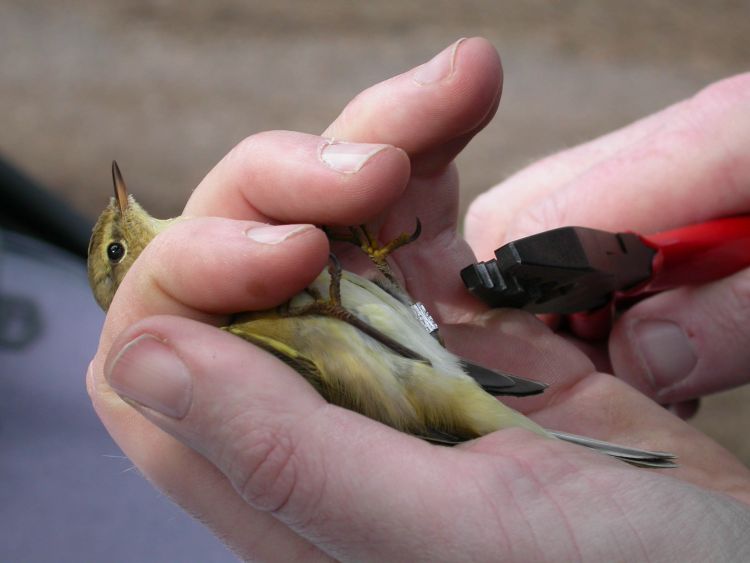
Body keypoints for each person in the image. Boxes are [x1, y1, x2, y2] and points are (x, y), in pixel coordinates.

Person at [87, 38, 750, 561]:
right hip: (413, 378)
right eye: (121, 247)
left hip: (409, 355)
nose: (128, 217)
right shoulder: (208, 316)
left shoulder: (215, 281)